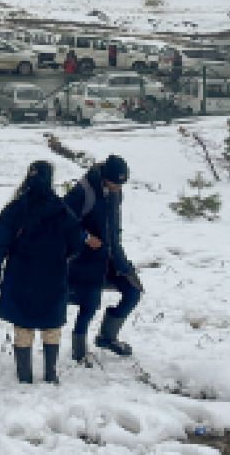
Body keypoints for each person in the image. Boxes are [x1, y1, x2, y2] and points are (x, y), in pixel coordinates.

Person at [0, 161, 88, 384]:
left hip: (20, 275)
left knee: (23, 326)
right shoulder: (62, 210)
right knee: (51, 326)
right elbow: (77, 242)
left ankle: (24, 376)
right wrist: (62, 258)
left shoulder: (15, 208)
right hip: (53, 276)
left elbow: (0, 243)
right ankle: (51, 374)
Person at [64, 155, 142, 363]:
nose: (118, 188)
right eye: (115, 183)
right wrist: (86, 237)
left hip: (113, 255)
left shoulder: (116, 191)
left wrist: (117, 251)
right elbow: (62, 220)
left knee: (133, 292)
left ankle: (106, 337)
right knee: (89, 303)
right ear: (104, 177)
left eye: (121, 184)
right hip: (85, 259)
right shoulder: (83, 190)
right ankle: (79, 351)